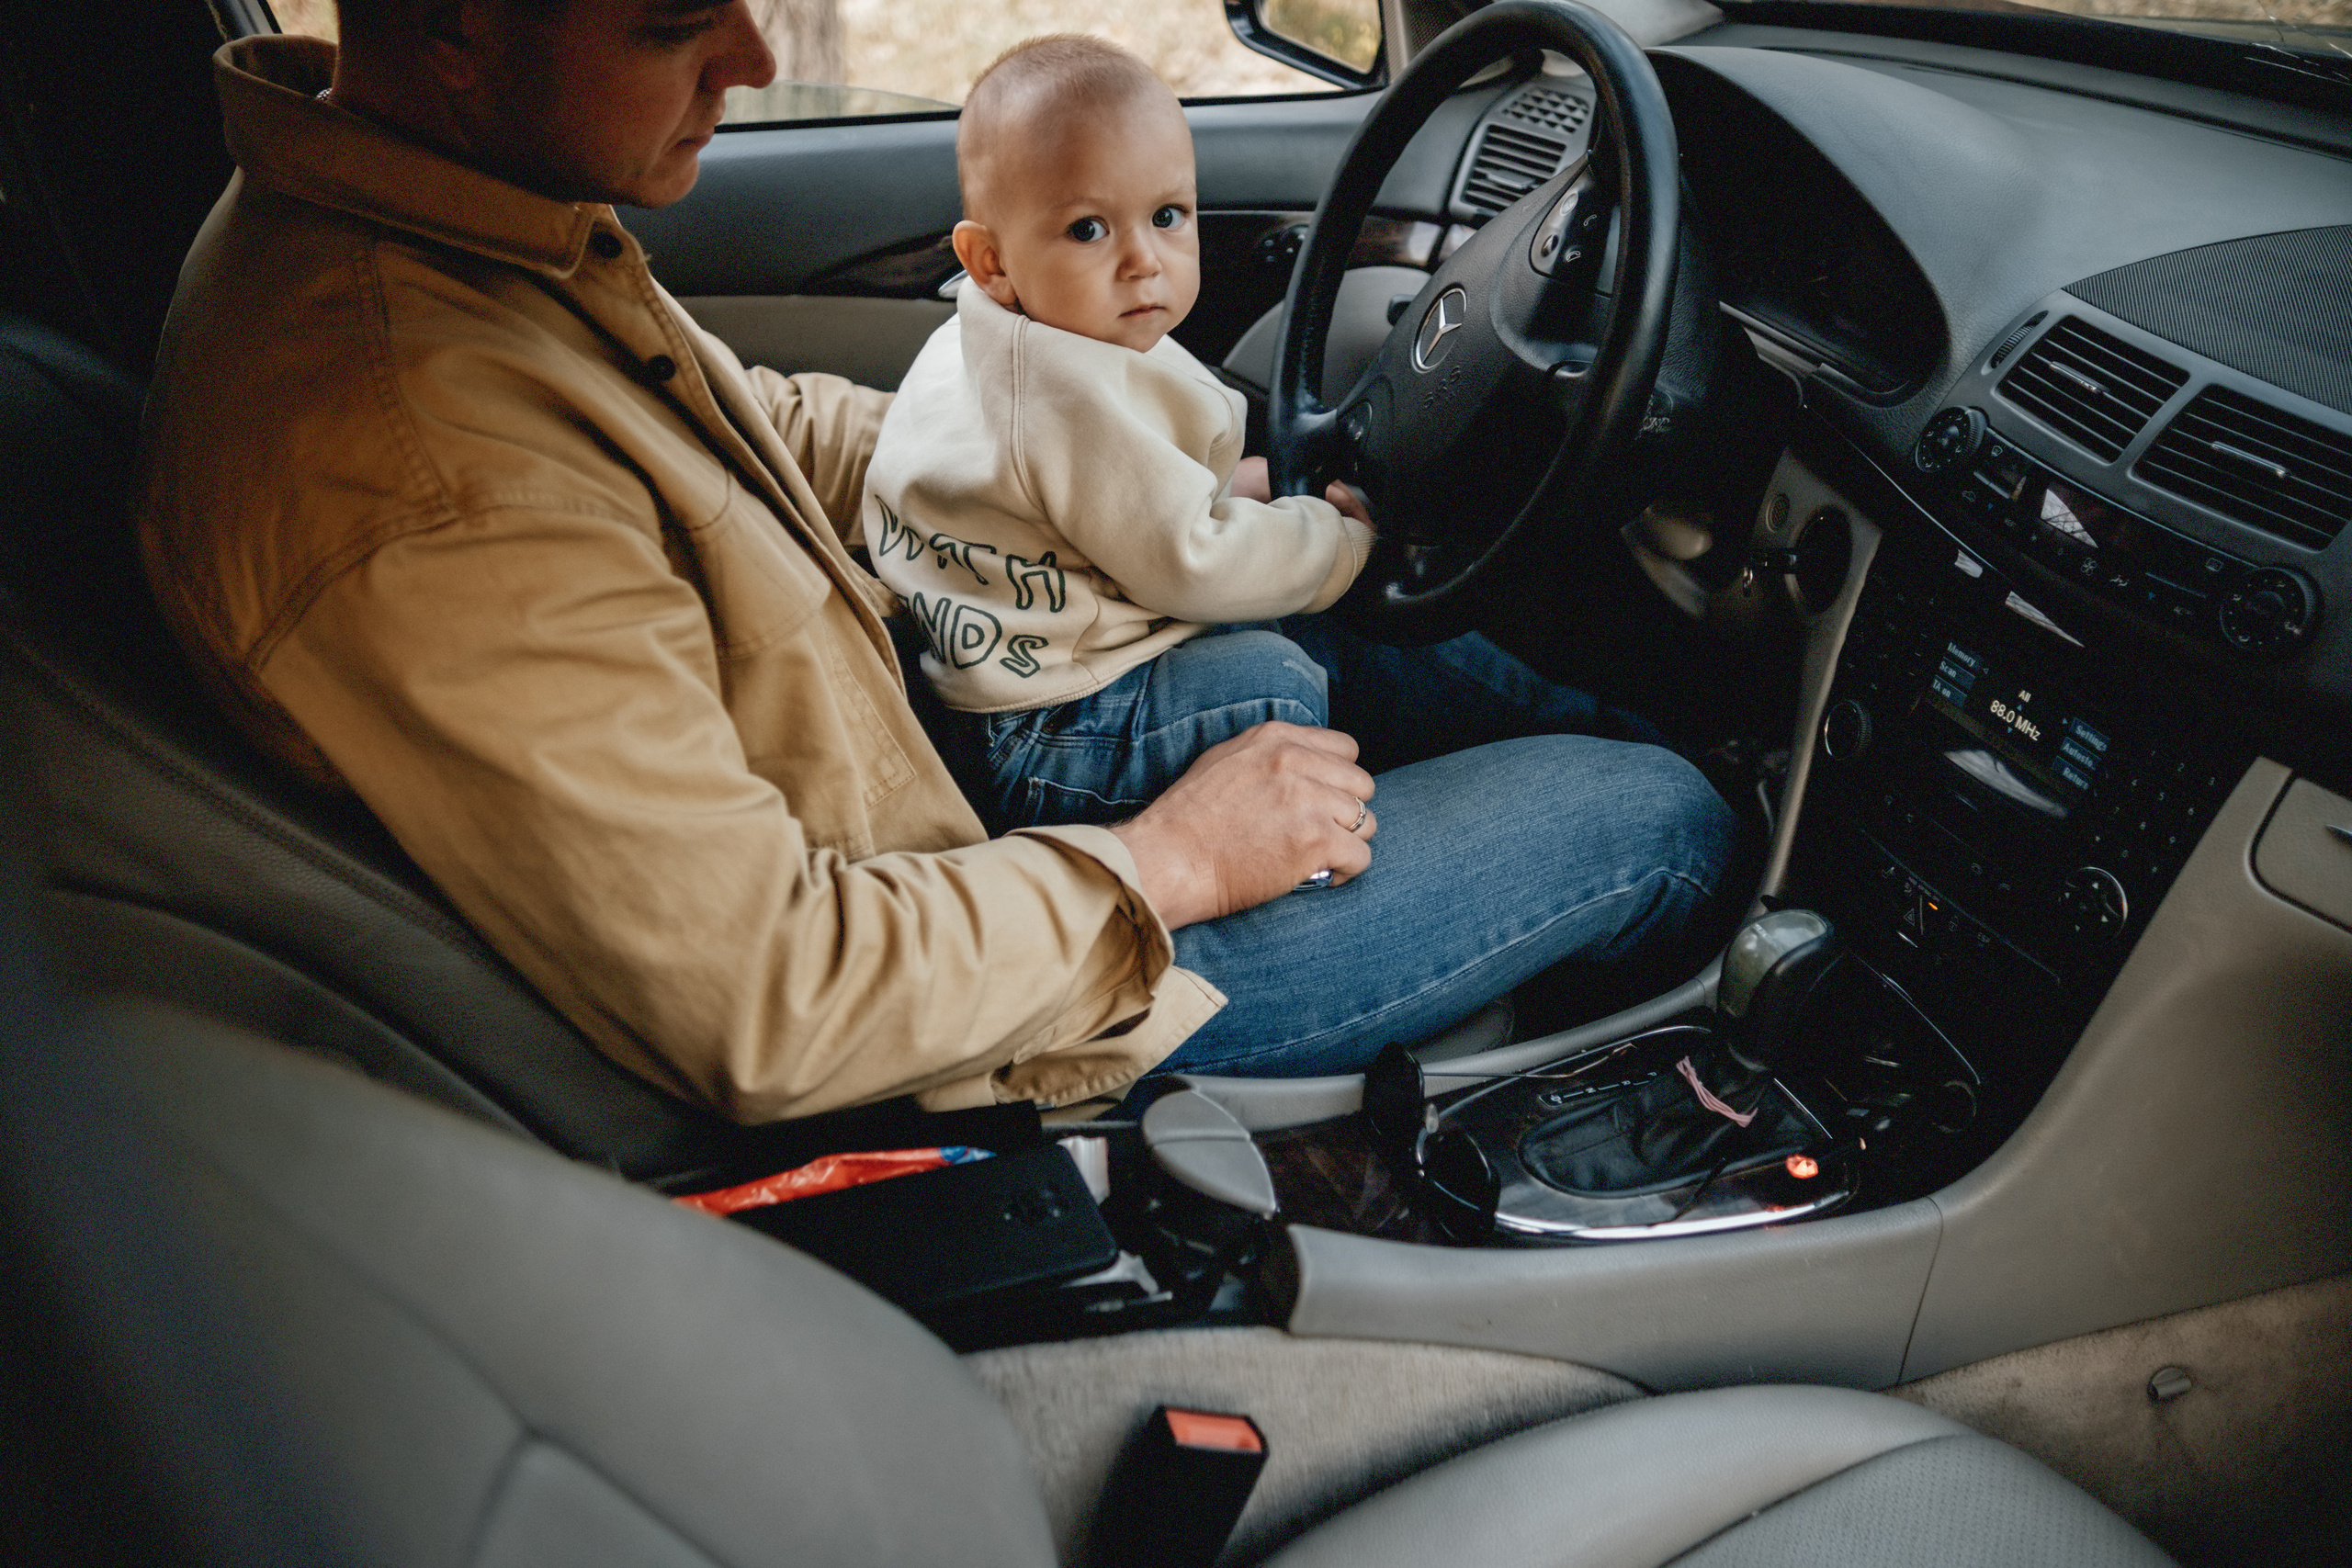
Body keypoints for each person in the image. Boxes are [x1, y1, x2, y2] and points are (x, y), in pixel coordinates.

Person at [136, 0, 1736, 1125]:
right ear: (458, 21)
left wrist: (1033, 458)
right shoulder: (415, 467)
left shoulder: (461, 244)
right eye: (672, 17)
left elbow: (754, 430)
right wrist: (1173, 862)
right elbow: (773, 995)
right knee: (1666, 817)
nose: (757, 55)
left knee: (1310, 653)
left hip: (938, 790)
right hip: (1009, 1012)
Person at [870, 36, 1375, 830]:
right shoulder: (1065, 400)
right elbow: (1190, 562)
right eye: (1088, 230)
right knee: (1279, 676)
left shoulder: (991, 339)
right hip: (1049, 734)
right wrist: (1337, 543)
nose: (1145, 260)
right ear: (990, 260)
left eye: (1168, 216)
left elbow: (1108, 504)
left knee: (1274, 610)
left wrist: (1238, 489)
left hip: (998, 675)